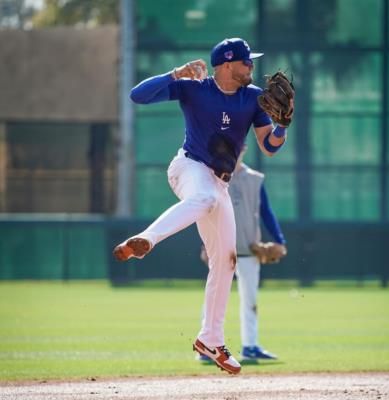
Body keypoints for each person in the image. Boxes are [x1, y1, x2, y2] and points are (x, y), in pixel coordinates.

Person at [113, 38, 289, 375]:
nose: (251, 67)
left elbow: (269, 146)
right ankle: (146, 240)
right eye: (245, 62)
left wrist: (282, 125)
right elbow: (138, 96)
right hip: (189, 168)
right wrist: (175, 73)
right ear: (226, 64)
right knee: (204, 198)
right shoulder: (194, 88)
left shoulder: (252, 98)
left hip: (220, 181)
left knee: (226, 260)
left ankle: (211, 338)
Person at [198, 145, 287, 363]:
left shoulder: (255, 179)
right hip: (221, 247)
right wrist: (205, 244)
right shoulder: (213, 176)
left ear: (244, 148)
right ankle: (206, 346)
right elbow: (202, 211)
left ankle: (250, 346)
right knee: (215, 296)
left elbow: (266, 211)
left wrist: (279, 240)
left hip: (249, 248)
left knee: (250, 300)